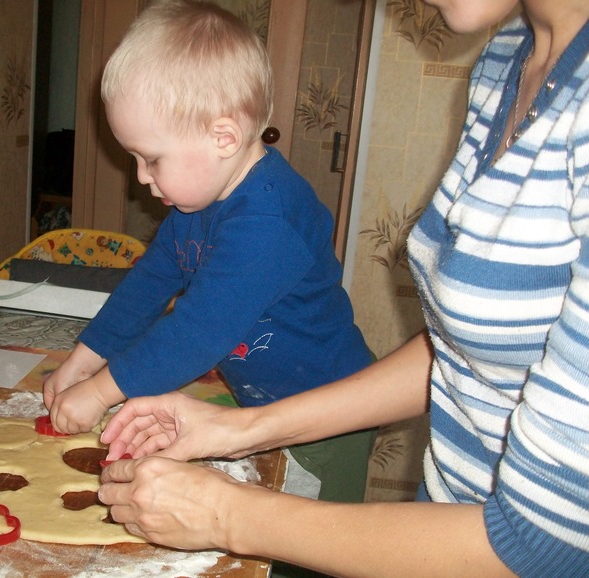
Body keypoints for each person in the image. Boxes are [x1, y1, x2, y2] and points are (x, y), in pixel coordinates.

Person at [97, 0, 589, 576]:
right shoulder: (505, 59)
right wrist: (239, 429)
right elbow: (463, 356)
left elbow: (545, 544)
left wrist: (226, 514)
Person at [43, 0, 376, 502]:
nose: (141, 177)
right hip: (261, 406)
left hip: (330, 418)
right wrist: (84, 360)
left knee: (317, 536)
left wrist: (99, 392)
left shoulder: (269, 222)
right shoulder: (195, 203)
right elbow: (149, 284)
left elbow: (196, 334)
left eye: (152, 159)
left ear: (223, 137)